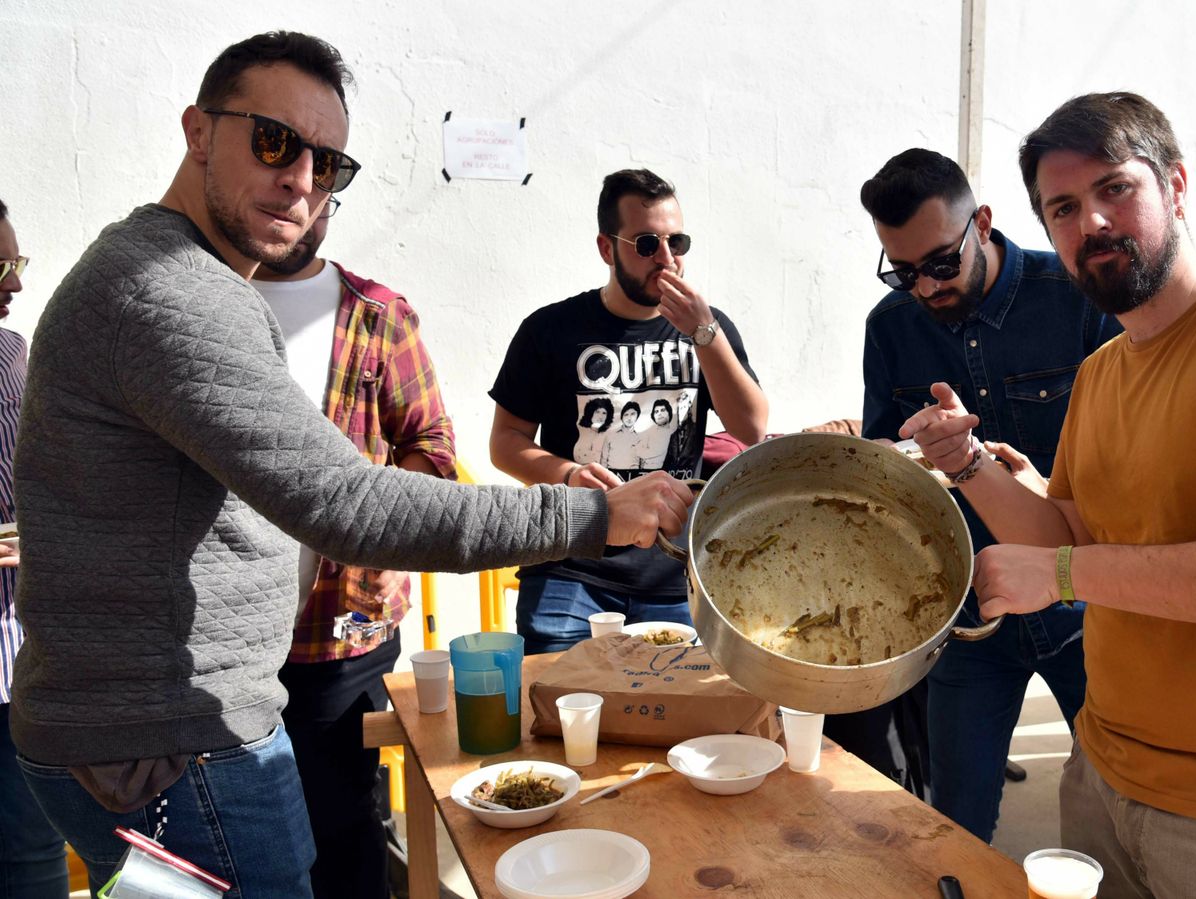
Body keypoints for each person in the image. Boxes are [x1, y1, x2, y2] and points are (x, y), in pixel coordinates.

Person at [9, 33, 691, 898]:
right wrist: (595, 514)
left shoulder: (181, 276)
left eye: (328, 163)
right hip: (169, 752)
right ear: (196, 130)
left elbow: (405, 467)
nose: (300, 177)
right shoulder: (172, 289)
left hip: (156, 730)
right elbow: (346, 501)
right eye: (272, 142)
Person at [904, 92, 1196, 897]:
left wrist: (1059, 580)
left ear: (1178, 186)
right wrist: (968, 463)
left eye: (1114, 189)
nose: (1090, 222)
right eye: (1063, 207)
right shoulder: (1104, 371)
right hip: (1107, 779)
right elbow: (1071, 531)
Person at [848, 147, 1119, 840]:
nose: (927, 287)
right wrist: (902, 455)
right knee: (953, 826)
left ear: (985, 223)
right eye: (903, 272)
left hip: (1086, 602)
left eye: (942, 262)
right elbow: (888, 470)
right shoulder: (891, 327)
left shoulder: (1078, 296)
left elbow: (1131, 459)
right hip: (966, 610)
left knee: (1124, 814)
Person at [252, 195, 454, 898]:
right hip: (220, 633)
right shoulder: (207, 305)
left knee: (343, 829)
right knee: (242, 837)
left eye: (321, 195)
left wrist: (371, 526)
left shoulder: (377, 314)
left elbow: (432, 447)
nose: (299, 207)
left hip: (341, 631)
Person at [489, 168, 767, 654]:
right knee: (562, 719)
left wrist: (704, 333)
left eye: (676, 242)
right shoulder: (550, 329)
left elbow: (751, 427)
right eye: (645, 244)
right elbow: (505, 443)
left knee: (675, 723)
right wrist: (571, 474)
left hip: (677, 573)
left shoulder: (708, 329)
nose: (666, 259)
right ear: (606, 248)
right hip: (569, 568)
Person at [0, 199, 69, 899]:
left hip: (18, 652)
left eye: (15, 264)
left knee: (30, 848)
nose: (15, 285)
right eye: (1, 266)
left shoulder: (13, 353)